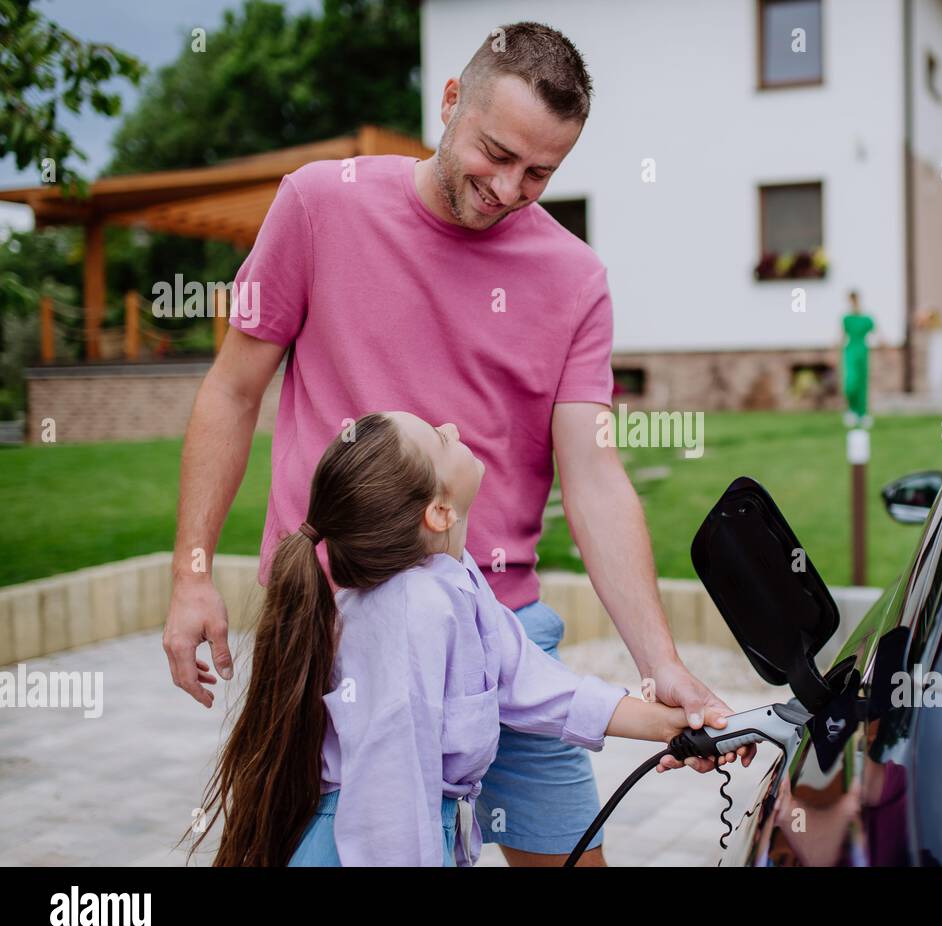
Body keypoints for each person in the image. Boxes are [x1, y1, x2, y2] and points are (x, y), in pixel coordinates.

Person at [163, 20, 751, 867]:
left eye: (540, 172)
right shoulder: (319, 205)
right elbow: (231, 388)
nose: (509, 188)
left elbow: (593, 475)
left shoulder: (574, 280)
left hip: (501, 635)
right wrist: (190, 578)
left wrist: (660, 665)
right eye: (495, 152)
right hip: (329, 635)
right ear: (449, 103)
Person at [187, 412, 711, 866]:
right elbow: (390, 793)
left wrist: (671, 725)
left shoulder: (454, 582)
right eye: (440, 439)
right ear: (438, 512)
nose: (453, 427)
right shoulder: (411, 612)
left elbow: (531, 683)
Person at [841, 290, 875, 427]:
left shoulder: (866, 319)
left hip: (862, 351)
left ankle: (862, 414)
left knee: (862, 383)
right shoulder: (846, 319)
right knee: (850, 383)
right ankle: (851, 410)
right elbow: (841, 336)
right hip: (850, 351)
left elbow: (877, 334)